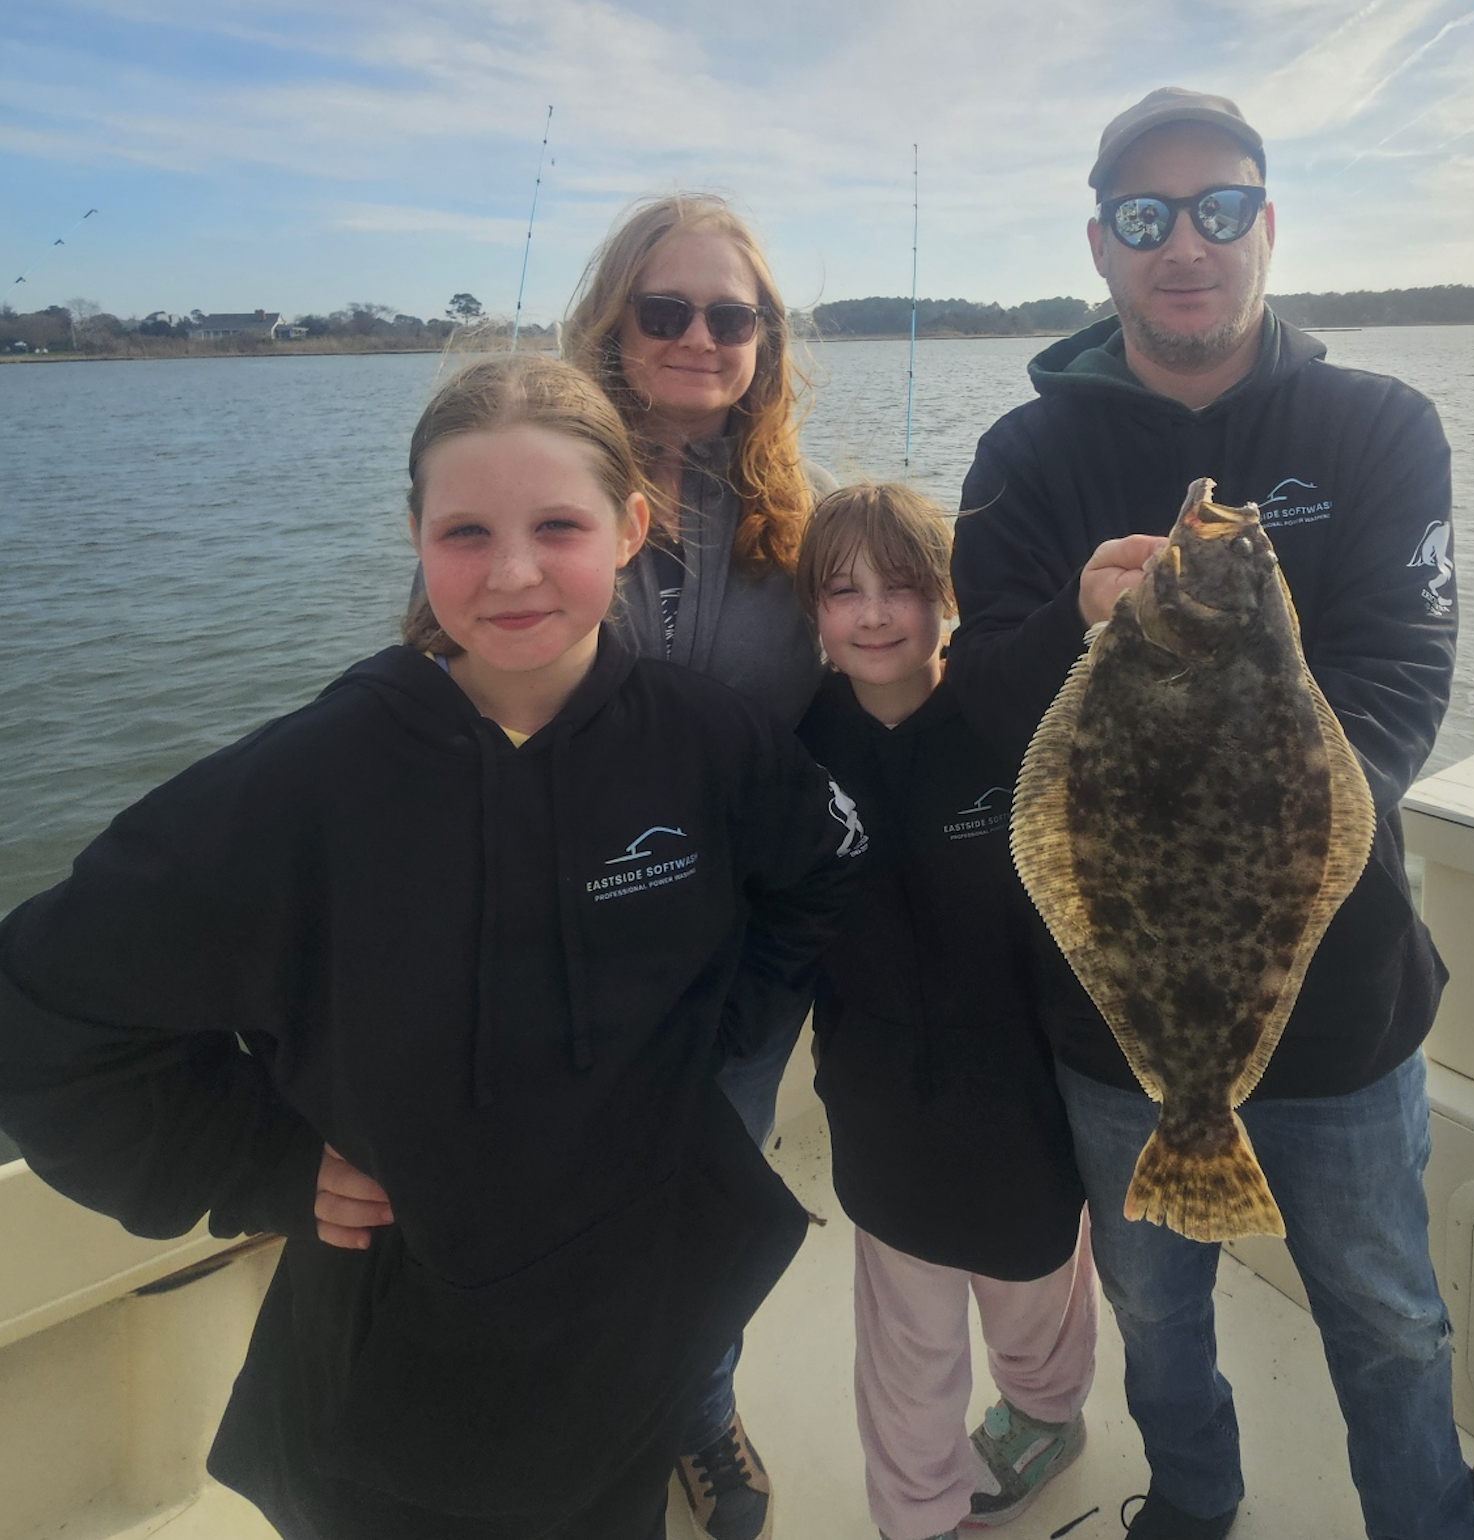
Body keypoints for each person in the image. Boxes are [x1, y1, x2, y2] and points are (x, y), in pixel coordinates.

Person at [0, 354, 863, 1540]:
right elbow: (42, 1006)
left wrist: (708, 1039)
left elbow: (818, 873)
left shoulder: (711, 745)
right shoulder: (309, 781)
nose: (512, 572)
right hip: (391, 1377)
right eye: (465, 530)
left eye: (557, 524)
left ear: (629, 529)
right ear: (413, 534)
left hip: (629, 1345)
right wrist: (256, 1156)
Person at [945, 89, 1474, 1540]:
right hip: (1113, 1015)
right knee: (1156, 1319)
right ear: (1102, 246)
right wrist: (1074, 619)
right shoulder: (1020, 460)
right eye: (1144, 216)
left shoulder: (1378, 427)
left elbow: (1400, 676)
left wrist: (1276, 812)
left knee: (1387, 1317)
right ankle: (1191, 1506)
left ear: (1264, 225)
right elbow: (983, 702)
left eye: (1218, 207)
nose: (1184, 242)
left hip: (1343, 1002)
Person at [563, 195, 836, 1540]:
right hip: (562, 940)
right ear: (613, 321)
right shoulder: (540, 480)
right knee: (557, 1197)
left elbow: (880, 689)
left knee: (715, 1187)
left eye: (731, 315)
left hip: (739, 951)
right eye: (663, 309)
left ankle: (697, 1407)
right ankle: (579, 1421)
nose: (697, 337)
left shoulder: (801, 514)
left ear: (765, 341)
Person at [793, 485, 1097, 1540]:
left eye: (904, 588)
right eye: (843, 592)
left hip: (1021, 1097)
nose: (874, 614)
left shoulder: (1007, 723)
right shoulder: (791, 746)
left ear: (947, 601)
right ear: (812, 614)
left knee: (1036, 1292)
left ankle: (1046, 1416)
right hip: (877, 1104)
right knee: (906, 1344)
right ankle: (916, 1515)